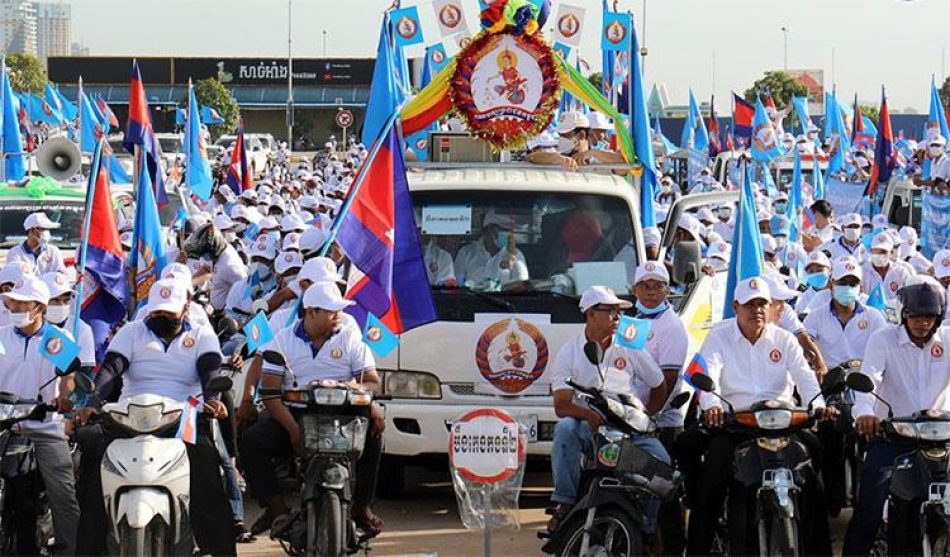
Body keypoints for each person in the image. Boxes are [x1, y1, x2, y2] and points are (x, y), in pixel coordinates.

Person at [74, 279, 236, 556]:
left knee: (207, 479)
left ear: (185, 308)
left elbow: (211, 372)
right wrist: (93, 402)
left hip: (184, 418)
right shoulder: (131, 332)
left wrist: (212, 400)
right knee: (94, 477)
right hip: (129, 417)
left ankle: (219, 550)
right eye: (157, 311)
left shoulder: (201, 334)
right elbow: (111, 370)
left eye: (169, 312)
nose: (162, 317)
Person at [676, 277, 835, 555]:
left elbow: (805, 378)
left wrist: (818, 404)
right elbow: (707, 374)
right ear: (736, 306)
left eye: (762, 304)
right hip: (736, 424)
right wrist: (712, 405)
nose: (756, 310)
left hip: (782, 424)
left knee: (814, 473)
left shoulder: (784, 339)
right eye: (749, 305)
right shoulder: (718, 336)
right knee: (712, 483)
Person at [238, 283, 385, 537]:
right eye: (332, 311)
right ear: (312, 312)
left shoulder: (351, 338)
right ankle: (276, 508)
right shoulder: (281, 341)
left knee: (374, 433)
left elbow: (372, 381)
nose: (339, 315)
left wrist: (362, 393)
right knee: (251, 441)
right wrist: (294, 430)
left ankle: (362, 507)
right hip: (296, 415)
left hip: (344, 415)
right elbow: (271, 393)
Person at [546, 286, 669, 533]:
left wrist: (648, 418)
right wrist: (589, 415)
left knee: (661, 464)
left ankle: (648, 526)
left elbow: (659, 384)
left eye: (619, 312)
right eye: (610, 311)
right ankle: (565, 502)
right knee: (566, 429)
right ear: (590, 314)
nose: (617, 318)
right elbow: (561, 405)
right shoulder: (569, 351)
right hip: (589, 431)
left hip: (627, 432)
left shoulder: (631, 347)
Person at [843, 280, 950, 555]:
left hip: (941, 438)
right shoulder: (883, 339)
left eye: (929, 317)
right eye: (915, 316)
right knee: (872, 502)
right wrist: (865, 413)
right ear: (904, 315)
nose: (922, 323)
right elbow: (869, 379)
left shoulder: (948, 340)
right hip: (894, 436)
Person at [0, 276, 79, 555]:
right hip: (3, 426)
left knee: (63, 493)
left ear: (39, 307)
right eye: (13, 301)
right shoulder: (1, 335)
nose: (14, 306)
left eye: (22, 303)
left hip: (44, 427)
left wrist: (64, 398)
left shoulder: (56, 339)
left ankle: (69, 550)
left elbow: (69, 377)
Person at [631, 264, 689, 554]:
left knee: (663, 489)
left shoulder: (672, 326)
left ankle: (674, 549)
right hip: (631, 419)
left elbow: (668, 380)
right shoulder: (631, 320)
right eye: (645, 285)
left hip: (662, 421)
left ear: (668, 290)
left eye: (658, 286)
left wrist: (648, 416)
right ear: (635, 290)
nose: (651, 291)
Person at [454, 211, 528, 285]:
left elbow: (521, 286)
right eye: (505, 230)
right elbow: (458, 285)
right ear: (490, 229)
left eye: (511, 231)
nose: (509, 235)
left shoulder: (516, 254)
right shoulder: (465, 253)